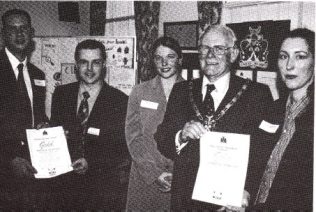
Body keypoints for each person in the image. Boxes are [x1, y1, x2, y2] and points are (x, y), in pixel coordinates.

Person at [155, 25, 274, 211]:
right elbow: (162, 138)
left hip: (230, 203)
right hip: (185, 200)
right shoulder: (181, 91)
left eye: (218, 49)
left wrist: (247, 192)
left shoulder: (256, 94)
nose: (210, 55)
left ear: (233, 54)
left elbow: (264, 152)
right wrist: (181, 135)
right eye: (204, 48)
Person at [50, 39, 130, 210]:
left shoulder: (120, 101)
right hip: (63, 189)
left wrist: (91, 162)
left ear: (104, 65)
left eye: (96, 63)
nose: (89, 69)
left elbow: (122, 149)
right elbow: (55, 133)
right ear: (76, 66)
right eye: (83, 62)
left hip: (100, 191)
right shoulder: (61, 94)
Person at [250, 28, 314, 210]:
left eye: (300, 56)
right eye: (283, 56)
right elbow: (257, 162)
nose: (289, 66)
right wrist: (246, 193)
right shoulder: (272, 109)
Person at [125, 36, 184, 211]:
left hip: (179, 178)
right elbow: (133, 138)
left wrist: (178, 175)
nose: (164, 63)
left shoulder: (192, 91)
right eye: (159, 58)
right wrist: (154, 173)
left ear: (180, 60)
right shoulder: (139, 92)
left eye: (170, 57)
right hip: (145, 176)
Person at [0, 9, 48, 209]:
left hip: (33, 167)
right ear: (3, 34)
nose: (19, 34)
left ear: (32, 32)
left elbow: (36, 114)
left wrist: (46, 126)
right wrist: (9, 159)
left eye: (24, 29)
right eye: (13, 29)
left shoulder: (38, 74)